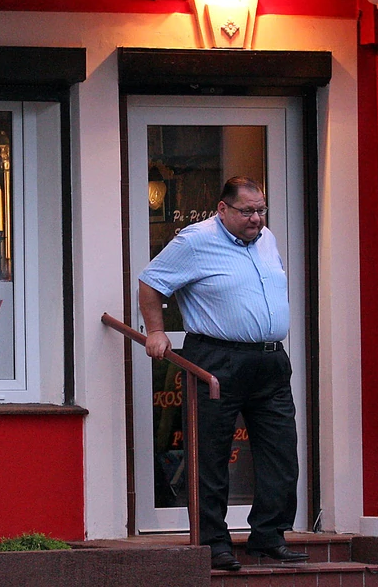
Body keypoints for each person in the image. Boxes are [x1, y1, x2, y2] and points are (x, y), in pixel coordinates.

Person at [138, 176, 308, 571]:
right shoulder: (195, 241)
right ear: (222, 209)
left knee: (281, 452)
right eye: (247, 211)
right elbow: (151, 283)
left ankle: (270, 536)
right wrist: (157, 331)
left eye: (261, 210)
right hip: (217, 359)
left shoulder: (266, 239)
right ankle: (214, 543)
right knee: (211, 455)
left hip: (269, 360)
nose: (256, 218)